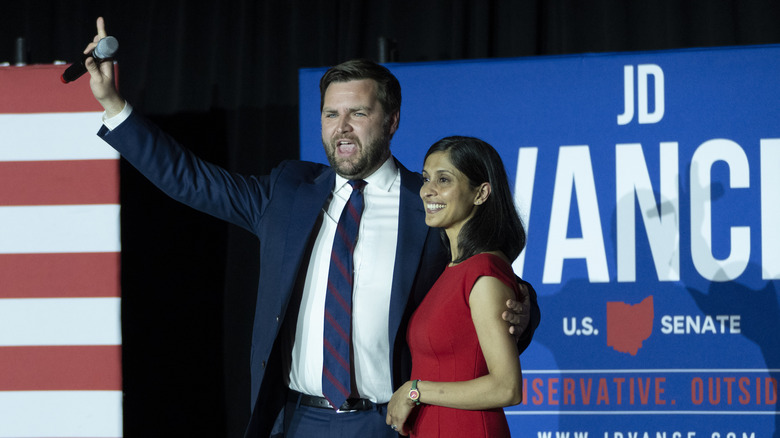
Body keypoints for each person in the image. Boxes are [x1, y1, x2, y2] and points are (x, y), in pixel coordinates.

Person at [83, 17, 540, 438]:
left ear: (392, 120)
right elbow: (192, 179)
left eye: (357, 114)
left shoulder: (429, 202)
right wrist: (115, 106)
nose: (342, 128)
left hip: (392, 422)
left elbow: (487, 277)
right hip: (298, 419)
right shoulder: (288, 193)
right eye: (330, 114)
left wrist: (524, 310)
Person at [385, 136, 526, 437]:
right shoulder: (452, 268)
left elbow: (507, 387)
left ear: (481, 193)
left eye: (444, 179)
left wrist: (414, 391)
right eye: (426, 179)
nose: (427, 190)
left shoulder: (484, 272)